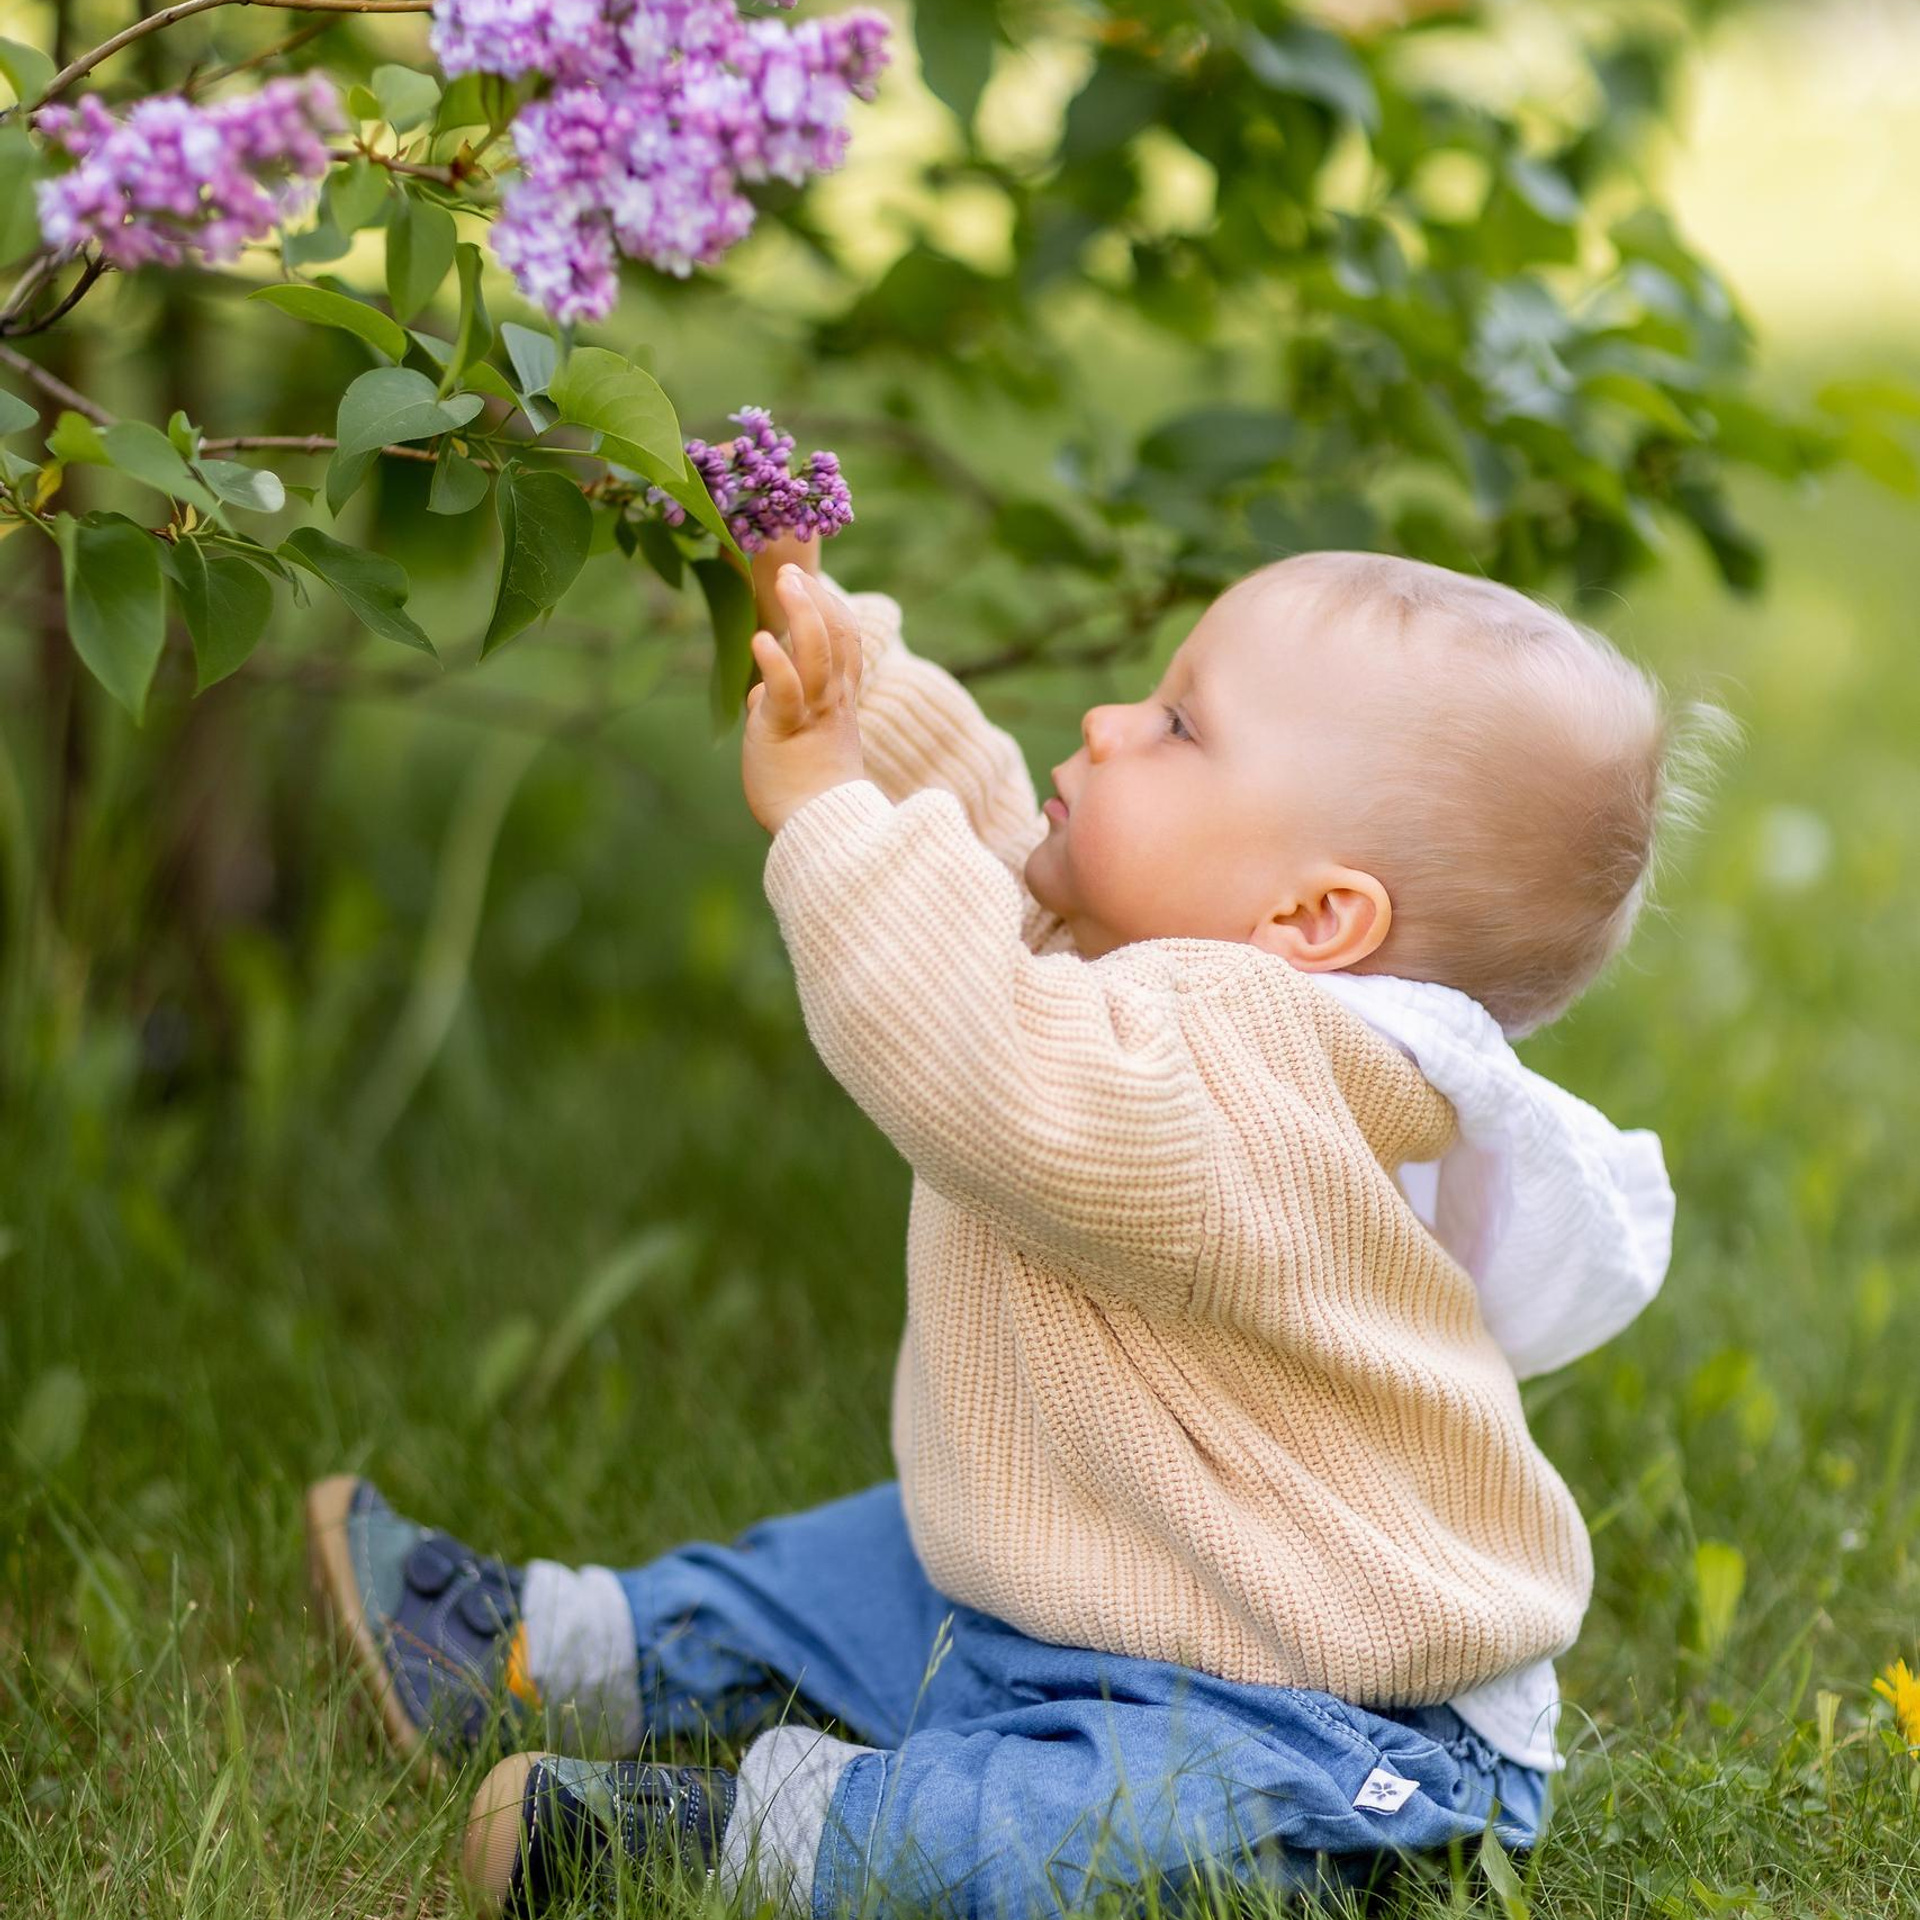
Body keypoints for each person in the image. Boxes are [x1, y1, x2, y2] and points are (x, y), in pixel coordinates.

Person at [308, 542, 1710, 1919]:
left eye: (1177, 727)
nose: (1107, 723)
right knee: (860, 1573)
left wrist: (825, 816)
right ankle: (552, 1652)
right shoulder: (1155, 948)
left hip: (1325, 1710)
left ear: (1314, 915)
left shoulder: (1258, 1087)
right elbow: (985, 832)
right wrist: (841, 658)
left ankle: (761, 1846)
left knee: (1085, 1828)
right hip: (1110, 1565)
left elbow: (983, 1055)